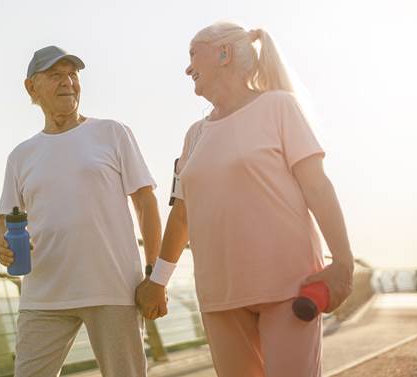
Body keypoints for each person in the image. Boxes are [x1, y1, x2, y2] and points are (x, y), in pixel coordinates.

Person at [136, 22, 354, 377]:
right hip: (219, 294)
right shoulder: (194, 135)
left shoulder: (279, 107)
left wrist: (343, 263)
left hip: (288, 285)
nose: (187, 68)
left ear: (224, 54)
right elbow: (181, 215)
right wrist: (158, 280)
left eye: (193, 55)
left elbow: (318, 187)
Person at [0, 45, 161, 377]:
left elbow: (145, 203)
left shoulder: (112, 133)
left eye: (72, 74)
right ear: (31, 87)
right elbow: (3, 219)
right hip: (43, 293)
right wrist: (2, 244)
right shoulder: (21, 155)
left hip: (112, 288)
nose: (67, 82)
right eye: (55, 75)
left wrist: (154, 275)